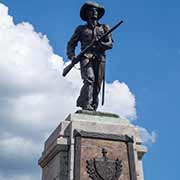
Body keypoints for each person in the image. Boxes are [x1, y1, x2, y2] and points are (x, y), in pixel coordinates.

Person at [67, 1, 113, 111]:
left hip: (100, 58)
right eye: (91, 10)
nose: (94, 12)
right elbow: (71, 44)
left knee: (97, 85)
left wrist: (100, 43)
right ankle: (86, 104)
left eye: (96, 11)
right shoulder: (81, 29)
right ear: (87, 13)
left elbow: (110, 44)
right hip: (85, 57)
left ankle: (93, 105)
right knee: (89, 80)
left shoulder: (104, 28)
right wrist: (72, 56)